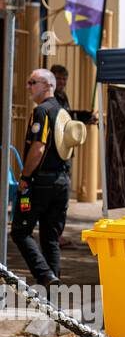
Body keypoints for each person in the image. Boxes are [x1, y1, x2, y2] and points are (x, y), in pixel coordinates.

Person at [12, 69, 72, 288]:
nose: (28, 86)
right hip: (62, 182)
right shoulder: (63, 111)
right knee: (50, 239)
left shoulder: (41, 112)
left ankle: (45, 275)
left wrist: (24, 177)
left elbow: (38, 148)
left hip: (40, 184)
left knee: (20, 231)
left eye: (32, 82)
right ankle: (53, 292)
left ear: (47, 86)